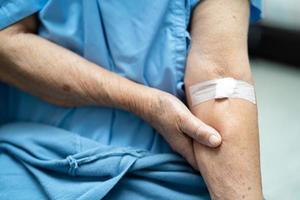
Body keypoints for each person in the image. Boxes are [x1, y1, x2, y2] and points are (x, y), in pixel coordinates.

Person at [0, 0, 262, 199]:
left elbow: (220, 78)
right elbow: (6, 45)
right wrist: (145, 103)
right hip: (35, 157)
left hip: (161, 170)